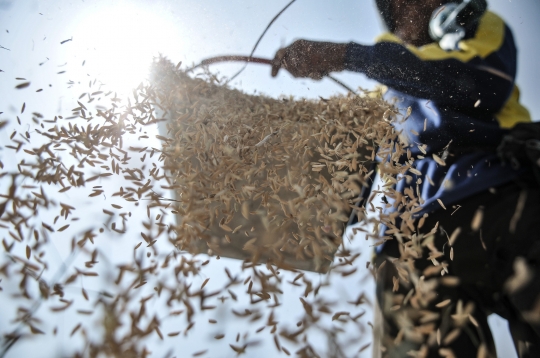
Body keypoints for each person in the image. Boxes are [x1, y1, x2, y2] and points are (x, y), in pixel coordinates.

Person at [271, 1, 540, 357]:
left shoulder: (473, 26)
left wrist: (348, 55)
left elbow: (480, 85)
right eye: (400, 5)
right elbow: (343, 195)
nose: (410, 8)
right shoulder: (373, 99)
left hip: (502, 198)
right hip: (410, 247)